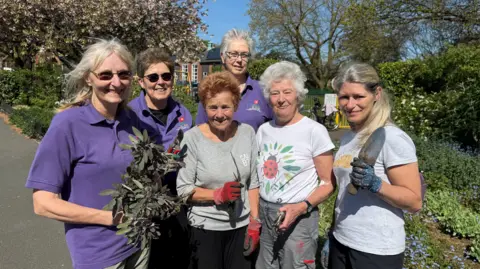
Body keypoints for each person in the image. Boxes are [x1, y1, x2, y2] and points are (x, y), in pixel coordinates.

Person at [25, 39, 149, 269]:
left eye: (123, 74)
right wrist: (112, 218)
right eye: (105, 75)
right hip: (98, 256)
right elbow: (43, 203)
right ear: (88, 78)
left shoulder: (132, 121)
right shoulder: (67, 124)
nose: (116, 82)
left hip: (138, 246)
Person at [328, 62, 423, 269]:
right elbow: (343, 189)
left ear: (376, 94)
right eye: (344, 97)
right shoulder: (349, 136)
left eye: (358, 96)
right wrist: (333, 230)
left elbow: (414, 202)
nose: (350, 104)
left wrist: (376, 184)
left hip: (376, 249)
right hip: (342, 239)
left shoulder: (392, 137)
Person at [255, 61, 336, 269]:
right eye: (275, 93)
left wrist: (301, 208)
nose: (281, 99)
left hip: (299, 218)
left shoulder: (314, 131)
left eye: (287, 92)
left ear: (298, 95)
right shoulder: (263, 130)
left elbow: (328, 183)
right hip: (265, 215)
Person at [176, 71, 260, 269]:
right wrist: (217, 194)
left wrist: (254, 221)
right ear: (204, 108)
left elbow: (253, 183)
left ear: (236, 106)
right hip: (205, 228)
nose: (219, 114)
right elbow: (184, 190)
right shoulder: (192, 139)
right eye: (213, 107)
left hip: (241, 227)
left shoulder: (247, 133)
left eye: (225, 107)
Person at [128, 48, 192, 269]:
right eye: (153, 77)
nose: (160, 82)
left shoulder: (183, 113)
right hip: (143, 203)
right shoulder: (129, 114)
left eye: (166, 76)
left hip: (177, 201)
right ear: (141, 82)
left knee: (179, 258)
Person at [195, 28, 273, 132]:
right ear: (223, 57)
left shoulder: (263, 90)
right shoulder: (209, 90)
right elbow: (201, 132)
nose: (239, 60)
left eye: (244, 55)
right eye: (234, 54)